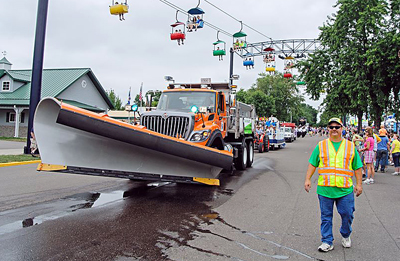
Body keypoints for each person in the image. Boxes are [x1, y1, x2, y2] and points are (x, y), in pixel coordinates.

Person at [304, 117, 362, 252]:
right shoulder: (321, 146)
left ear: (342, 128)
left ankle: (345, 234)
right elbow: (313, 163)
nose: (334, 129)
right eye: (331, 127)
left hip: (345, 189)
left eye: (337, 127)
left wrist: (359, 184)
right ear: (328, 129)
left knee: (347, 214)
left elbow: (357, 167)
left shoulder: (350, 146)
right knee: (326, 217)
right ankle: (327, 241)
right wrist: (307, 179)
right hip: (325, 189)